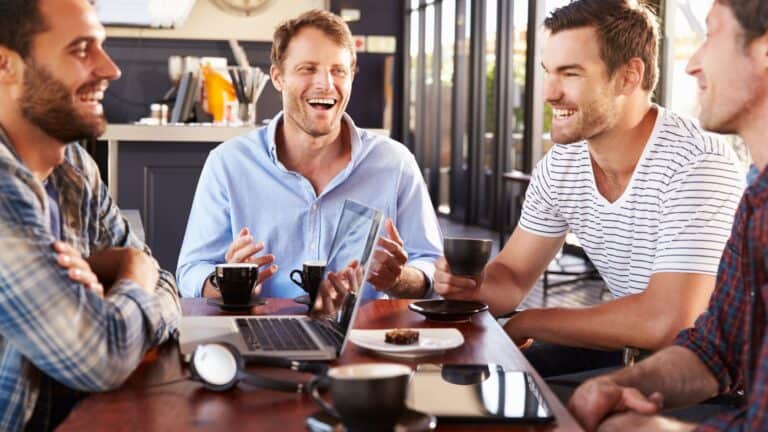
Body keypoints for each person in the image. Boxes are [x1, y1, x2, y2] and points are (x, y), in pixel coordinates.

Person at [434, 0, 746, 378]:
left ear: (629, 76)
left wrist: (527, 322)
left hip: (723, 375)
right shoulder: (562, 166)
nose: (549, 93)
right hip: (633, 349)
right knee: (468, 376)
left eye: (571, 73)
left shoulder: (696, 163)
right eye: (548, 72)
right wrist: (471, 286)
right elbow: (512, 277)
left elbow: (670, 322)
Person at [569, 1, 768, 430]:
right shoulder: (757, 200)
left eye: (711, 35)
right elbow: (716, 350)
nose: (692, 65)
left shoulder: (704, 163)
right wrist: (625, 385)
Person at [0, 0, 181, 430]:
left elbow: (167, 284)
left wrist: (120, 277)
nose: (111, 69)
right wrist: (130, 271)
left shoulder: (75, 168)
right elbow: (100, 355)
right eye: (82, 50)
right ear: (6, 66)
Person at [176, 10, 442, 302]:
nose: (325, 84)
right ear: (278, 77)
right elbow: (191, 270)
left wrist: (398, 279)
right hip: (262, 334)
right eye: (308, 69)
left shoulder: (395, 163)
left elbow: (430, 266)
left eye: (338, 70)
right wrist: (226, 283)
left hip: (364, 340)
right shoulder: (228, 163)